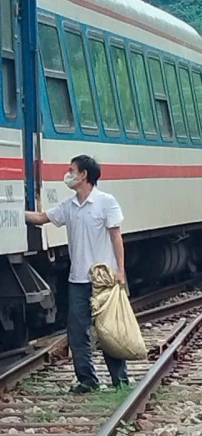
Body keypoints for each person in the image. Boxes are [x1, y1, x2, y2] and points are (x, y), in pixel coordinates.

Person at [25, 155, 128, 393]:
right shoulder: (69, 206)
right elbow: (42, 218)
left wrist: (120, 271)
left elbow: (116, 237)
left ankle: (120, 380)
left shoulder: (106, 202)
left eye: (72, 170)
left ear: (84, 175)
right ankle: (87, 380)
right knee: (77, 330)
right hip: (78, 279)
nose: (68, 174)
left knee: (109, 330)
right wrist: (13, 212)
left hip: (104, 279)